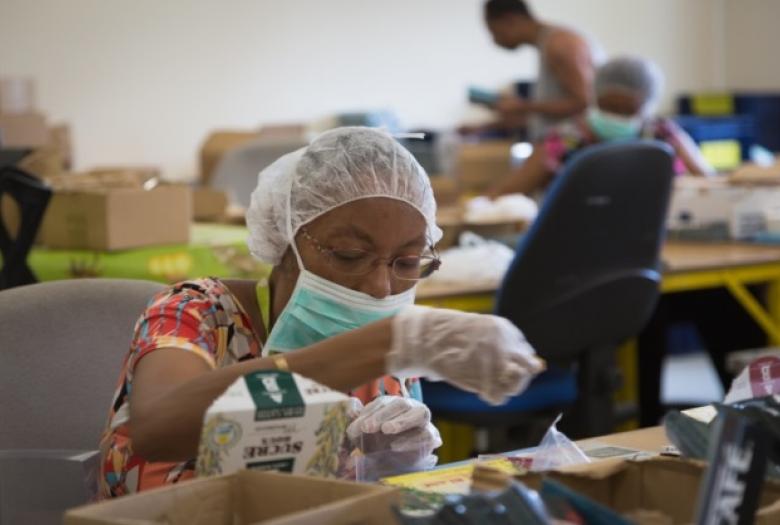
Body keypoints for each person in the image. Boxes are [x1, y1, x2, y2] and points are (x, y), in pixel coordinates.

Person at [99, 127, 544, 498]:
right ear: (285, 241)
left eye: (408, 262)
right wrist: (389, 342)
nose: (379, 287)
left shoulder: (386, 349)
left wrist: (388, 474)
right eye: (349, 255)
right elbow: (157, 428)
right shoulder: (196, 312)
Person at [488, 56, 715, 198]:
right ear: (595, 98)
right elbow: (509, 192)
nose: (617, 115)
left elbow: (708, 183)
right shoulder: (565, 139)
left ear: (647, 105)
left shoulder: (662, 134)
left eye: (628, 110)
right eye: (609, 106)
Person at [463, 0, 602, 141]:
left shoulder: (559, 45)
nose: (495, 40)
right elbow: (551, 113)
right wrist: (486, 126)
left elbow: (583, 102)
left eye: (494, 32)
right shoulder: (548, 43)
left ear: (510, 20)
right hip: (559, 143)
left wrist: (523, 106)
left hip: (569, 145)